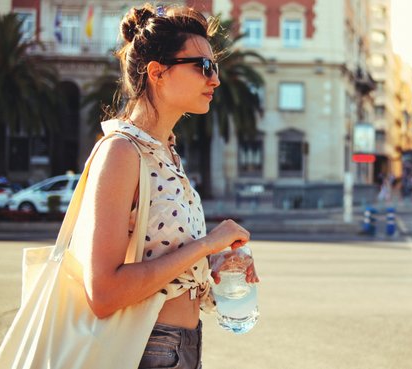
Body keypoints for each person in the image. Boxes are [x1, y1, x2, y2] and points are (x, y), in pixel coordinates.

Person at [72, 4, 259, 368]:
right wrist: (207, 243)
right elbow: (103, 292)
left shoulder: (165, 152)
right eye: (203, 67)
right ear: (158, 72)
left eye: (215, 67)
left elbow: (159, 259)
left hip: (181, 346)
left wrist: (213, 261)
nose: (215, 79)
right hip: (146, 346)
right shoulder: (122, 152)